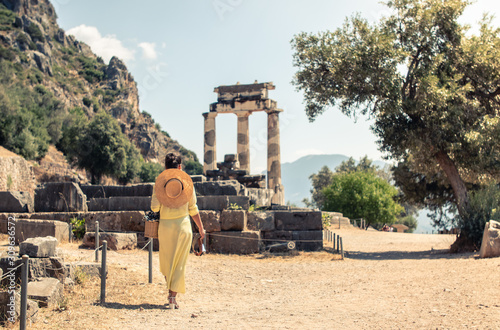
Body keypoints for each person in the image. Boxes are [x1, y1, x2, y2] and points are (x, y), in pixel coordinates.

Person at [150, 153, 205, 309]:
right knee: (179, 263)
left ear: (165, 167)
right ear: (180, 167)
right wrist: (201, 228)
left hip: (166, 227)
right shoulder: (187, 183)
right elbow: (193, 209)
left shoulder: (160, 183)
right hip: (183, 226)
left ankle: (171, 294)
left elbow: (154, 208)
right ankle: (172, 297)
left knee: (167, 263)